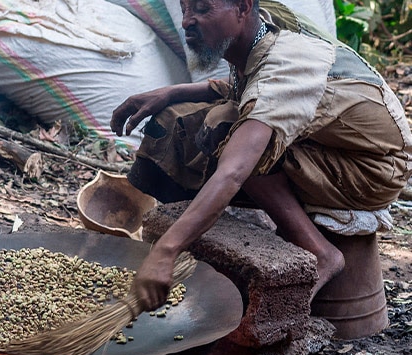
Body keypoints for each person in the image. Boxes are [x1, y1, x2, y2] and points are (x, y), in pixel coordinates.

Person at [109, 0, 412, 311]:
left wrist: (166, 251)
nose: (187, 21)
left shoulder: (286, 62)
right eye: (185, 8)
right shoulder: (256, 32)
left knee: (227, 132)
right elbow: (242, 86)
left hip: (372, 168)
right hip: (336, 145)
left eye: (202, 8)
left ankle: (321, 253)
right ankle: (202, 226)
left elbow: (234, 170)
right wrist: (170, 92)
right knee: (180, 117)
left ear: (242, 8)